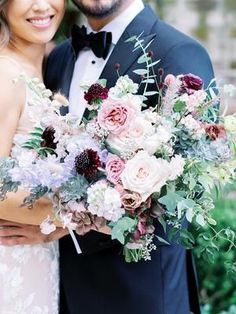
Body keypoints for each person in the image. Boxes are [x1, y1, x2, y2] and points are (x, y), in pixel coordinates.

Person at [0, 0, 215, 313]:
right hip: (58, 289)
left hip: (141, 297)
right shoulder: (59, 55)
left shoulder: (178, 52)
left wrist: (66, 221)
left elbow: (186, 193)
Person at [0, 0, 65, 313]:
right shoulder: (4, 74)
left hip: (38, 258)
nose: (41, 6)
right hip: (10, 259)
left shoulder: (42, 71)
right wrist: (78, 218)